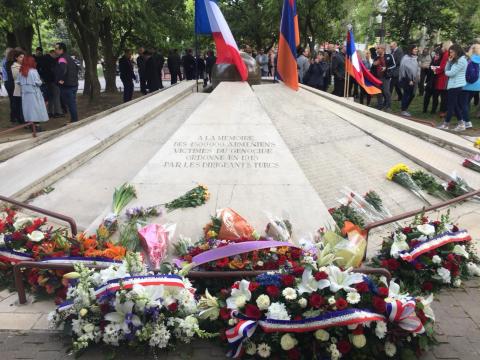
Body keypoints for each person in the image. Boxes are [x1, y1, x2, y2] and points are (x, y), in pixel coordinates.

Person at [438, 44, 468, 131]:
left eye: (451, 52)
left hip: (456, 85)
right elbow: (446, 70)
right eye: (449, 52)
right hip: (453, 85)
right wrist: (449, 62)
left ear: (456, 51)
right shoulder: (457, 60)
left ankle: (446, 124)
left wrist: (447, 72)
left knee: (451, 106)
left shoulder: (461, 61)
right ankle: (461, 124)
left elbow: (450, 73)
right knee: (454, 105)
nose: (450, 54)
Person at [17, 55, 49, 131]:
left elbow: (18, 82)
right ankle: (37, 127)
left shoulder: (21, 71)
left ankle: (32, 126)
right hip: (34, 93)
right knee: (36, 110)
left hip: (25, 94)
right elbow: (38, 82)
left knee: (29, 110)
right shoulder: (33, 71)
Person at [54, 42, 79, 123]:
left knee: (71, 103)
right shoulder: (69, 57)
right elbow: (76, 68)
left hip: (67, 85)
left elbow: (62, 70)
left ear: (61, 50)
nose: (55, 50)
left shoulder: (62, 58)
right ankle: (74, 119)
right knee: (72, 103)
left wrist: (60, 80)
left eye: (56, 49)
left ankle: (74, 120)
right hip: (74, 84)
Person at [461, 43, 480, 129]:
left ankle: (467, 121)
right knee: (467, 102)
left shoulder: (469, 59)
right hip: (476, 85)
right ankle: (464, 119)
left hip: (467, 85)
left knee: (464, 103)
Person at [372, 44, 395, 111]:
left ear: (383, 49)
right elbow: (372, 68)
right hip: (377, 77)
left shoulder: (389, 56)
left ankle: (388, 106)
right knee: (378, 92)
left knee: (386, 92)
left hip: (386, 77)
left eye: (378, 48)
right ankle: (380, 105)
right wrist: (373, 64)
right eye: (377, 48)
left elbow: (394, 65)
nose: (377, 50)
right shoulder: (376, 58)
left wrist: (386, 68)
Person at [433, 41, 452, 117]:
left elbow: (443, 66)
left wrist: (435, 70)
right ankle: (444, 110)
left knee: (444, 96)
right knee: (445, 95)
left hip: (443, 77)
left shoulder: (446, 54)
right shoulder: (449, 53)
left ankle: (443, 111)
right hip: (446, 76)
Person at [399, 44, 419, 117]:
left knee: (412, 94)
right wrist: (409, 80)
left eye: (417, 49)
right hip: (406, 79)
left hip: (413, 80)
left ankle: (405, 109)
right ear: (411, 49)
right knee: (407, 94)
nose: (416, 50)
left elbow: (415, 69)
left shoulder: (415, 58)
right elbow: (403, 70)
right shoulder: (406, 58)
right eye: (414, 49)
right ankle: (403, 110)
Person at [45, 50, 63, 117]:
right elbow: (54, 71)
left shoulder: (45, 59)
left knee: (51, 97)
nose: (56, 56)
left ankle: (50, 112)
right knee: (56, 95)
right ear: (52, 53)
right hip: (53, 81)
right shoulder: (52, 61)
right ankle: (57, 112)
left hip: (48, 81)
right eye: (55, 55)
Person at [423, 48, 440, 113]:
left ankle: (433, 111)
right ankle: (424, 109)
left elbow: (438, 70)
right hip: (429, 82)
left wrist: (431, 68)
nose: (436, 56)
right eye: (435, 54)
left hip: (436, 82)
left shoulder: (440, 62)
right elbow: (429, 72)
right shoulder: (433, 60)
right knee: (426, 97)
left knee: (435, 97)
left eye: (438, 55)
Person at [11, 49, 25, 123]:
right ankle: (22, 120)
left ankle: (24, 119)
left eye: (23, 57)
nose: (22, 58)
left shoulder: (23, 65)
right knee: (21, 106)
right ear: (16, 58)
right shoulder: (14, 67)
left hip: (25, 89)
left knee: (23, 105)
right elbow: (17, 77)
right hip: (19, 89)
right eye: (20, 57)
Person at [2, 48, 16, 122]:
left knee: (12, 99)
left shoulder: (4, 61)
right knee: (13, 99)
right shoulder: (7, 62)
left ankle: (13, 116)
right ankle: (13, 116)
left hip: (7, 81)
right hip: (9, 81)